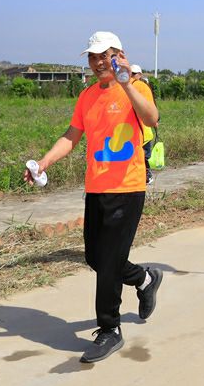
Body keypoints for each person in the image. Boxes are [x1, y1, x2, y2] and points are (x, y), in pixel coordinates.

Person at [26, 31, 162, 364]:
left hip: (128, 188)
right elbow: (72, 136)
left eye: (106, 55)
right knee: (96, 258)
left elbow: (151, 118)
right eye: (94, 56)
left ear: (120, 55)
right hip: (96, 188)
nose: (99, 62)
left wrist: (127, 82)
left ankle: (109, 329)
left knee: (108, 265)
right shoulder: (87, 97)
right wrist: (44, 161)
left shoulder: (136, 87)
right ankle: (145, 278)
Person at [130, 64, 159, 184]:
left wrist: (155, 121)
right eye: (130, 74)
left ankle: (147, 175)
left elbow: (152, 107)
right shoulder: (128, 88)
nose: (132, 76)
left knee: (145, 155)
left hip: (145, 129)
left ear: (140, 75)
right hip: (133, 131)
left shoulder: (143, 88)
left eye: (134, 74)